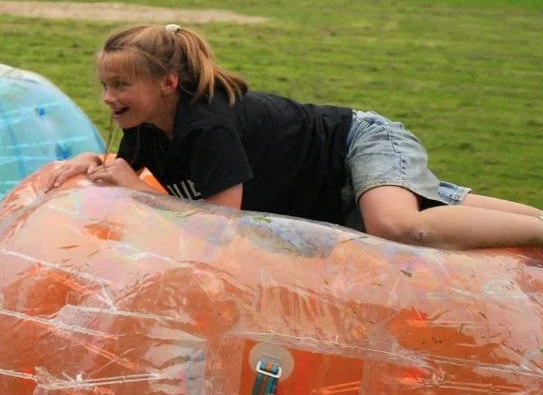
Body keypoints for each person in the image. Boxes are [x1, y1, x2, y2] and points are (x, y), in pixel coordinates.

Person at [43, 23, 543, 250]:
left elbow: (221, 226)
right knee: (431, 207)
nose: (107, 97)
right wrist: (91, 157)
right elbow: (127, 168)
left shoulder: (206, 126)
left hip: (354, 144)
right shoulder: (148, 125)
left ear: (167, 83)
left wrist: (132, 190)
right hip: (325, 189)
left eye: (121, 84)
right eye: (105, 84)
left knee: (397, 227)